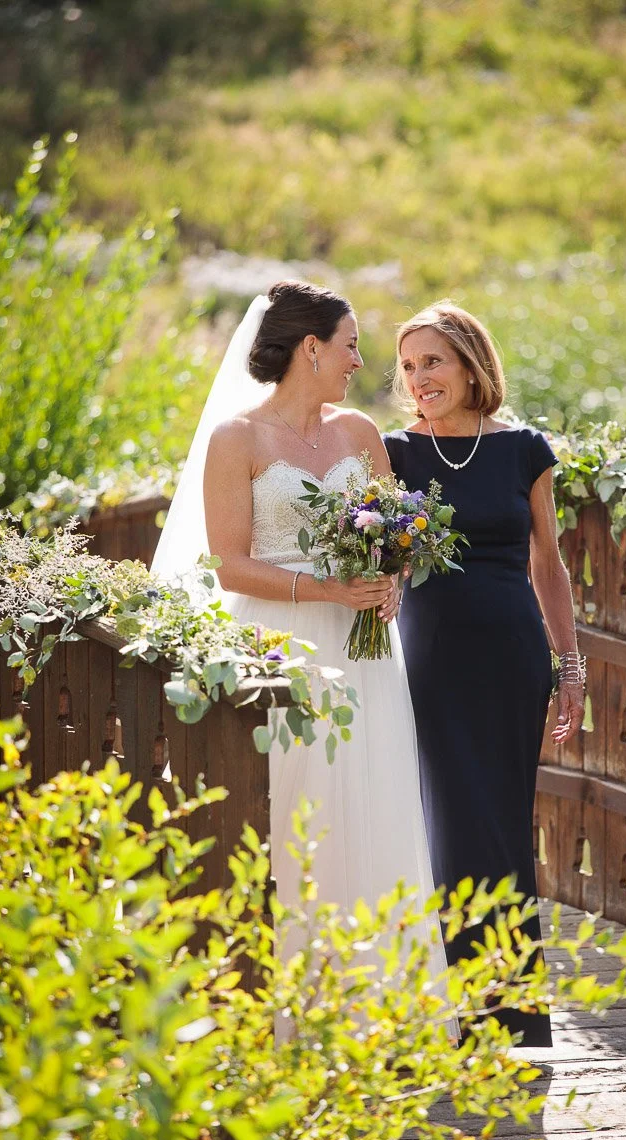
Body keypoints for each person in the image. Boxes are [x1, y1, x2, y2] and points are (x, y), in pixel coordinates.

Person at [152, 280, 451, 997]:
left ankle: (373, 1000)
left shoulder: (360, 434)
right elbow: (227, 565)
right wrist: (327, 589)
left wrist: (391, 577)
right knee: (287, 807)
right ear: (311, 347)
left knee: (372, 803)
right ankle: (280, 998)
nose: (358, 361)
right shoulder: (237, 438)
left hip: (366, 649)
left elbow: (399, 531)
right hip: (277, 650)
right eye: (350, 344)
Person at [383, 301, 585, 1047]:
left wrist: (571, 668)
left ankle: (516, 1015)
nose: (419, 378)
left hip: (511, 658)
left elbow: (548, 566)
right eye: (408, 366)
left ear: (470, 363)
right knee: (451, 825)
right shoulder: (393, 452)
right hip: (429, 659)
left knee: (504, 828)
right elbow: (380, 564)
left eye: (431, 361)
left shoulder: (526, 449)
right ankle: (463, 1011)